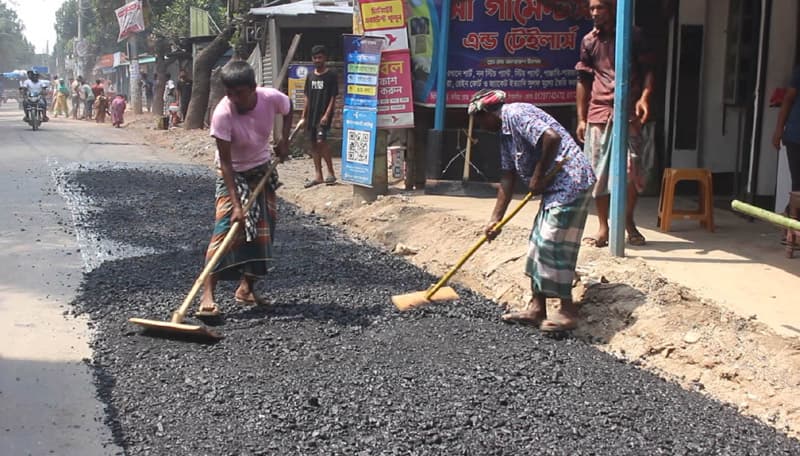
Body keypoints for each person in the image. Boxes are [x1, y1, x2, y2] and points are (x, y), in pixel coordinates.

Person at [470, 89, 596, 332]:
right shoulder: (504, 136)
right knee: (537, 243)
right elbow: (507, 177)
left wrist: (538, 176)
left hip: (571, 180)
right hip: (554, 187)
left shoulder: (516, 114)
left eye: (479, 121)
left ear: (488, 113)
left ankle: (568, 311)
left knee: (553, 243)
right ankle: (537, 309)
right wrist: (496, 219)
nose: (479, 127)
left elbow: (551, 137)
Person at [197, 60, 293, 316]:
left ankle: (246, 289)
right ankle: (207, 294)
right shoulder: (222, 114)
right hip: (233, 175)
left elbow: (288, 106)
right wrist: (237, 206)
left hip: (261, 170)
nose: (234, 98)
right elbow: (226, 164)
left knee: (263, 232)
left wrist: (283, 140)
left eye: (239, 93)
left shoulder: (270, 98)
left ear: (253, 88)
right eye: (229, 93)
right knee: (224, 230)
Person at [575, 0, 655, 247]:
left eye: (600, 8)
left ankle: (627, 221)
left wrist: (644, 97)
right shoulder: (589, 41)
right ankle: (603, 227)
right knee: (598, 173)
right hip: (598, 113)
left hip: (628, 112)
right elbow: (583, 80)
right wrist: (581, 118)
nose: (596, 13)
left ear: (612, 9)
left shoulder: (634, 36)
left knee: (631, 170)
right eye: (592, 9)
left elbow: (649, 70)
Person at [301, 45, 339, 188]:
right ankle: (318, 175)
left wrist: (327, 115)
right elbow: (306, 97)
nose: (318, 60)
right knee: (313, 145)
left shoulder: (331, 75)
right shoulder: (310, 76)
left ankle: (331, 173)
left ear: (325, 58)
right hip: (311, 115)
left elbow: (333, 97)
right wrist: (304, 116)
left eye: (320, 57)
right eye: (315, 58)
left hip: (323, 115)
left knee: (321, 141)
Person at [772, 65, 800, 200]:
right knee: (798, 185)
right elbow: (788, 99)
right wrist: (778, 130)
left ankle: (789, 212)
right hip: (796, 136)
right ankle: (792, 216)